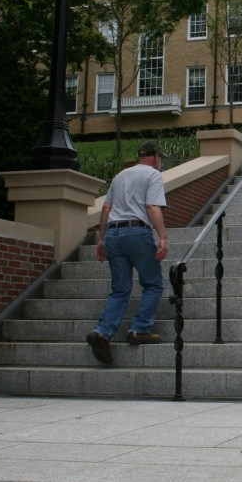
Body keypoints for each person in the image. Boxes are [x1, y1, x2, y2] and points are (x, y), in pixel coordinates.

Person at [86, 141, 169, 365]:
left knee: (120, 290)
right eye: (160, 158)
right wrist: (162, 236)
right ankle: (139, 329)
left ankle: (102, 331)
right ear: (154, 157)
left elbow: (105, 209)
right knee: (153, 284)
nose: (160, 162)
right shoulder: (152, 175)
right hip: (136, 232)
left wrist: (101, 239)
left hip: (113, 234)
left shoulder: (120, 175)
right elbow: (153, 207)